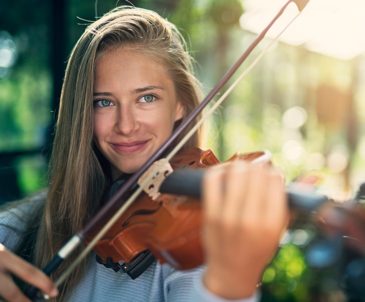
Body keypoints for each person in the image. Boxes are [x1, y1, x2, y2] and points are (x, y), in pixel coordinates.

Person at [0, 6, 288, 302]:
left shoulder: (188, 245)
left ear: (181, 105)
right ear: (82, 113)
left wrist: (230, 280)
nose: (125, 125)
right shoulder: (28, 225)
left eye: (146, 98)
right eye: (103, 102)